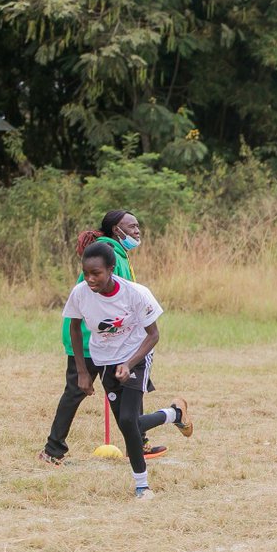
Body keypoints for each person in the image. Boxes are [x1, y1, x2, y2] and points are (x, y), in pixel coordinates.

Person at [61, 242, 193, 499]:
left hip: (136, 355)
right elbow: (74, 329)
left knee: (127, 421)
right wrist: (83, 372)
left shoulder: (136, 293)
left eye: (96, 273)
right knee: (128, 424)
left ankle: (142, 486)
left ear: (111, 269)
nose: (90, 279)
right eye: (86, 273)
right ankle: (174, 413)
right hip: (104, 360)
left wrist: (129, 364)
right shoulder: (80, 293)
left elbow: (153, 335)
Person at [40, 210, 167, 465]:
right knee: (76, 391)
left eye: (138, 226)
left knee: (129, 391)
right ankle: (53, 450)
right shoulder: (108, 255)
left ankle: (138, 444)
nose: (136, 231)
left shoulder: (118, 254)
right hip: (92, 339)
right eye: (131, 226)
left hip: (117, 341)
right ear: (116, 230)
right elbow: (103, 306)